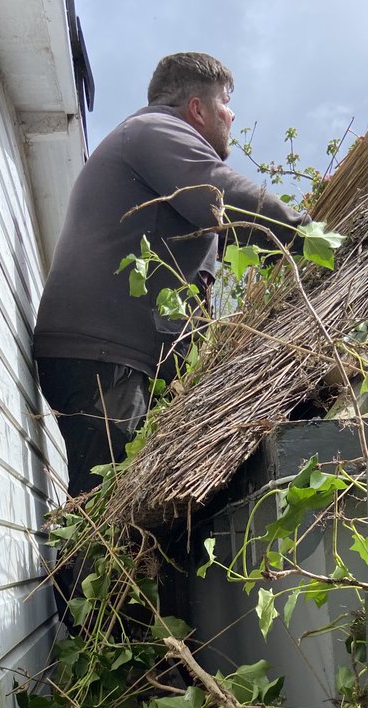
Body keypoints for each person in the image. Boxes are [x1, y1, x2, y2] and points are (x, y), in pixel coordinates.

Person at [33, 51, 309, 497]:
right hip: (104, 360)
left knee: (118, 504)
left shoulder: (150, 152)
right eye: (224, 101)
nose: (232, 113)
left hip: (113, 358)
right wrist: (309, 237)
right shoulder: (155, 131)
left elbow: (238, 235)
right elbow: (222, 194)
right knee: (106, 510)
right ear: (197, 109)